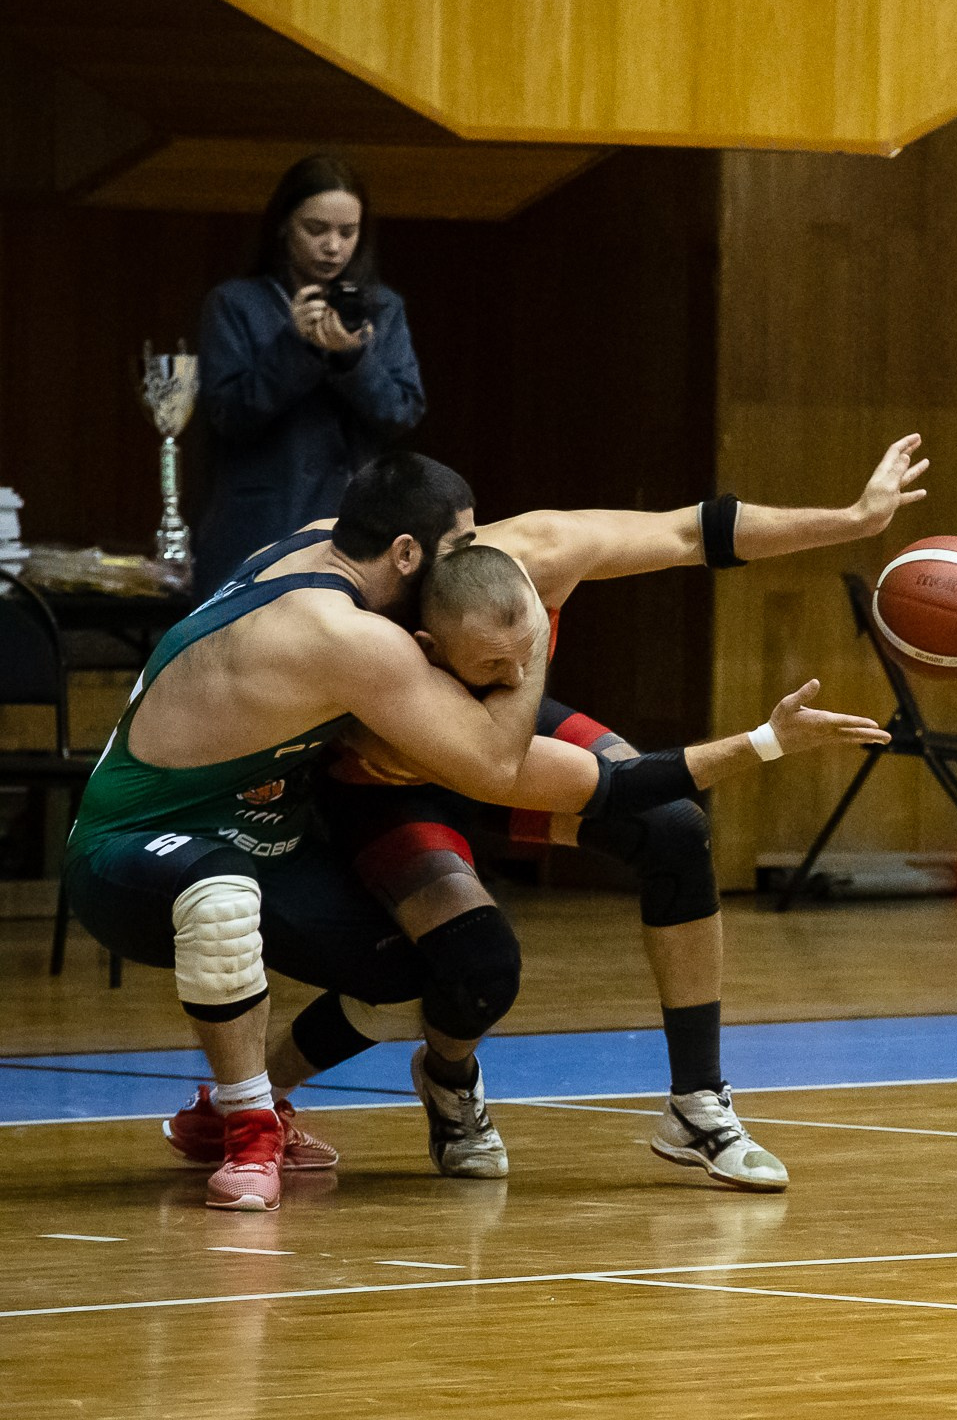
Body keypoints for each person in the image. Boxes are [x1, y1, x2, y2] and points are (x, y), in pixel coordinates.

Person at [65, 452, 883, 1211]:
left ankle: (697, 1102)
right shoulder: (353, 636)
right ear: (408, 555)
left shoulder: (498, 558)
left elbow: (689, 532)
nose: (478, 550)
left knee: (671, 826)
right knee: (473, 964)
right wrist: (537, 639)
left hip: (483, 739)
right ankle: (420, 1083)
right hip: (395, 774)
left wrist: (851, 520)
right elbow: (498, 763)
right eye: (460, 542)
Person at [197, 156, 426, 594]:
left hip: (354, 530)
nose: (333, 247)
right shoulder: (236, 303)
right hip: (259, 527)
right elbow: (228, 416)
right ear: (284, 225)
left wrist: (351, 359)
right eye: (316, 229)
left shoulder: (381, 307)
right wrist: (296, 346)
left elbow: (402, 413)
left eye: (348, 232)